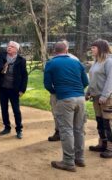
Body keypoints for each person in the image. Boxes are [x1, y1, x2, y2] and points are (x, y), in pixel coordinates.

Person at [44, 42, 89, 172]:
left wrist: (56, 92)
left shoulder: (51, 63)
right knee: (79, 129)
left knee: (66, 130)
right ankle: (80, 159)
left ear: (54, 51)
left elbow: (47, 84)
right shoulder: (76, 62)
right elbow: (86, 82)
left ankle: (68, 161)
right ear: (67, 50)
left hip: (64, 99)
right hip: (80, 99)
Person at [0, 41, 28, 139]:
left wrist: (22, 90)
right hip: (3, 88)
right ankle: (7, 127)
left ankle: (19, 130)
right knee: (4, 109)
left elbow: (24, 76)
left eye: (12, 47)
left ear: (16, 49)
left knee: (16, 110)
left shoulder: (21, 60)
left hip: (14, 89)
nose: (9, 48)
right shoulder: (2, 56)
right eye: (8, 46)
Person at [48, 39, 79, 142]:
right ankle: (59, 132)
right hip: (70, 93)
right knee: (57, 113)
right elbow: (83, 80)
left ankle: (66, 134)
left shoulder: (53, 61)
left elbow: (47, 81)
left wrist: (52, 90)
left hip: (62, 92)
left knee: (61, 113)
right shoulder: (75, 59)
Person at [86, 39, 112, 158]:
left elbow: (110, 80)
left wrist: (105, 95)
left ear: (101, 48)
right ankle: (102, 144)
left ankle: (110, 149)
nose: (91, 49)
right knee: (100, 121)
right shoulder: (96, 62)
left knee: (108, 123)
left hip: (107, 99)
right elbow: (93, 79)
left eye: (93, 47)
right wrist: (88, 92)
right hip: (96, 97)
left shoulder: (109, 62)